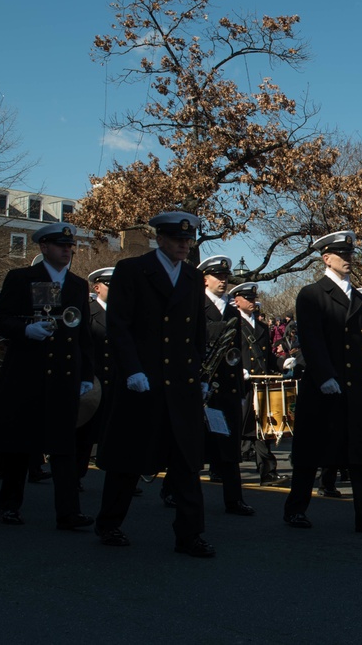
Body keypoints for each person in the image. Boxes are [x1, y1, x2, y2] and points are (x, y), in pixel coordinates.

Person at [94, 212, 214, 556]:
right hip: (142, 382)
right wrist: (131, 369)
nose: (183, 244)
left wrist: (199, 374)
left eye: (187, 240)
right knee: (128, 461)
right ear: (159, 238)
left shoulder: (192, 277)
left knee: (187, 464)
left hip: (181, 382)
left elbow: (196, 335)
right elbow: (119, 325)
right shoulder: (133, 270)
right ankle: (109, 524)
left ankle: (190, 535)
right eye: (177, 238)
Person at [282, 230, 362, 533]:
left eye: (350, 255)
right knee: (310, 452)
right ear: (326, 258)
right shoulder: (312, 293)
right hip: (324, 386)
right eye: (341, 255)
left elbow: (360, 347)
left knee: (360, 451)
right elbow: (311, 339)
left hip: (354, 386)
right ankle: (295, 509)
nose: (348, 259)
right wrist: (325, 376)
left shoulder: (357, 296)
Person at [0, 222, 95, 529]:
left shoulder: (77, 285)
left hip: (63, 375)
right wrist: (24, 330)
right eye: (60, 245)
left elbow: (83, 335)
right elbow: (0, 319)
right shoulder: (22, 277)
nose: (68, 249)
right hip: (28, 372)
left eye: (70, 245)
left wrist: (86, 374)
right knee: (20, 444)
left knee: (64, 446)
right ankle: (9, 505)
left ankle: (68, 512)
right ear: (43, 248)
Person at [190, 255, 254, 516]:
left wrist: (238, 388)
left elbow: (236, 351)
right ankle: (173, 490)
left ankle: (233, 499)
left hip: (226, 386)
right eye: (219, 277)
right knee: (194, 445)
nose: (224, 281)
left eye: (226, 277)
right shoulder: (196, 306)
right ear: (205, 279)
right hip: (203, 384)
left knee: (229, 447)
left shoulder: (231, 310)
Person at [232, 282, 287, 487]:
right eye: (248, 298)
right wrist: (238, 370)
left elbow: (267, 357)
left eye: (254, 298)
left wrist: (283, 363)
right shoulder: (233, 323)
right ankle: (220, 467)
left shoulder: (262, 326)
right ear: (237, 301)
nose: (253, 302)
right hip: (242, 385)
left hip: (260, 385)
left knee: (262, 430)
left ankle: (268, 472)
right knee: (238, 430)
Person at [77, 267, 115, 486]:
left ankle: (118, 478)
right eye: (110, 285)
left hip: (115, 380)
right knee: (85, 434)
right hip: (93, 380)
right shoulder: (88, 312)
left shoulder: (122, 313)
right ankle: (76, 476)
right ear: (97, 287)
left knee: (115, 433)